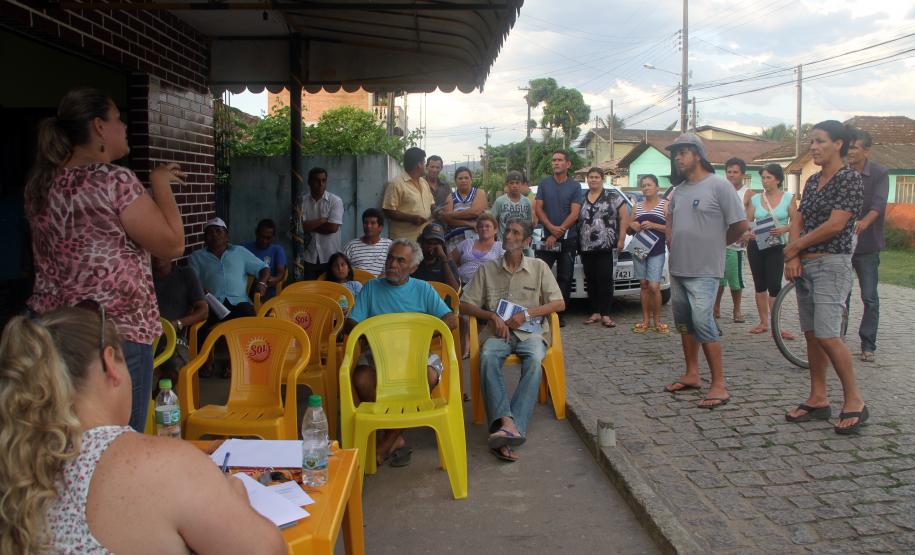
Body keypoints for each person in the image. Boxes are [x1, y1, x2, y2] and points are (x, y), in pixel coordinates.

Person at [0, 308, 286, 555]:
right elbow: (269, 550)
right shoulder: (161, 464)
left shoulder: (16, 466)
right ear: (110, 363)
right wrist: (235, 495)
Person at [25, 88, 185, 432]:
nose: (124, 126)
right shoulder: (114, 181)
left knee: (68, 440)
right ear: (99, 127)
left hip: (56, 333)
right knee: (118, 443)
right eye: (117, 118)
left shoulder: (40, 185)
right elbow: (172, 245)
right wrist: (160, 183)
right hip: (114, 336)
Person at [783, 120, 866, 434]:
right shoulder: (813, 180)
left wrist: (794, 248)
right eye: (812, 142)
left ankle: (855, 401)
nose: (814, 147)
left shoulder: (849, 180)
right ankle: (818, 398)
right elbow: (799, 217)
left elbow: (835, 225)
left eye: (820, 142)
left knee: (829, 335)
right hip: (807, 265)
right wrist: (794, 254)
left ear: (839, 144)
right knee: (812, 335)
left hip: (832, 264)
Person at [460, 219, 565, 462]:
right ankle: (508, 423)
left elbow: (559, 303)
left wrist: (527, 314)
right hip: (498, 334)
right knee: (486, 357)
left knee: (534, 360)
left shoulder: (539, 267)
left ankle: (508, 425)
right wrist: (491, 316)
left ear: (527, 241)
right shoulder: (488, 269)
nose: (508, 236)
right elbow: (464, 303)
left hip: (531, 334)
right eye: (507, 231)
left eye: (515, 233)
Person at [345, 240, 458, 466]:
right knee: (361, 379)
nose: (392, 264)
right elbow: (351, 323)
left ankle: (387, 443)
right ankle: (393, 435)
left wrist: (424, 334)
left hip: (415, 355)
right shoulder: (371, 288)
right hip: (379, 354)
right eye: (390, 258)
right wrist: (374, 335)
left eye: (400, 260)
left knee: (428, 376)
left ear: (413, 268)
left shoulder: (422, 289)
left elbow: (451, 319)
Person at [663, 134, 748, 409]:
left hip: (705, 269)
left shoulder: (720, 186)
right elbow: (671, 220)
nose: (677, 158)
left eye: (682, 152)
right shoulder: (680, 190)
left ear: (697, 154)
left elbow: (740, 225)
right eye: (675, 154)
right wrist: (672, 238)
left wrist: (717, 244)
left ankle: (719, 384)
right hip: (678, 267)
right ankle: (692, 373)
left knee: (703, 322)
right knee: (685, 323)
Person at [846, 129, 889, 363]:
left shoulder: (880, 173)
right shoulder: (843, 173)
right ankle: (836, 340)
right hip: (842, 244)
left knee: (869, 296)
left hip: (868, 244)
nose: (850, 152)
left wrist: (864, 222)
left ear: (866, 150)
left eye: (854, 147)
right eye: (848, 147)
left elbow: (879, 204)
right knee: (842, 294)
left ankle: (868, 343)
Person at [189, 217, 269, 341]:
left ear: (227, 236)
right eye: (209, 232)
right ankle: (204, 359)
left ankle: (249, 356)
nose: (214, 234)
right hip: (212, 304)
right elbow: (192, 282)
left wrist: (262, 283)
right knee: (197, 326)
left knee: (250, 318)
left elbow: (263, 268)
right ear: (205, 239)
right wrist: (200, 291)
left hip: (239, 303)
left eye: (218, 231)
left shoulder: (240, 252)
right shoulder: (196, 257)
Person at [746, 163, 798, 337]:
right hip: (757, 243)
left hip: (777, 245)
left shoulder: (788, 198)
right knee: (759, 284)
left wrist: (785, 229)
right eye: (763, 178)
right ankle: (763, 322)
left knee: (774, 285)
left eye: (768, 177)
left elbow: (796, 222)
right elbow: (747, 221)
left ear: (778, 179)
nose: (765, 181)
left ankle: (777, 325)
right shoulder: (755, 199)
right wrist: (750, 232)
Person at [534, 150, 582, 327]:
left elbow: (575, 213)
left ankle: (559, 314)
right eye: (553, 160)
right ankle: (540, 312)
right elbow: (539, 209)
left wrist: (557, 233)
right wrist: (551, 230)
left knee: (565, 276)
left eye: (560, 160)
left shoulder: (575, 186)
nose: (555, 163)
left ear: (568, 164)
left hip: (568, 239)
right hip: (546, 239)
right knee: (540, 275)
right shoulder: (544, 184)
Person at [578, 167, 628, 328]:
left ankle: (606, 314)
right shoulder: (581, 198)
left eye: (596, 177)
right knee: (591, 279)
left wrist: (621, 239)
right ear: (587, 179)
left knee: (605, 278)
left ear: (602, 179)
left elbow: (624, 216)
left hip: (606, 245)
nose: (593, 180)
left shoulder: (612, 197)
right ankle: (595, 312)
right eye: (590, 177)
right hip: (585, 246)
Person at [152, 256, 209, 395]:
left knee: (173, 367)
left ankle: (157, 401)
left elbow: (203, 310)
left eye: (162, 250)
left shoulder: (185, 274)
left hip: (174, 336)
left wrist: (177, 324)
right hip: (146, 335)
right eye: (152, 251)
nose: (157, 254)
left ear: (170, 252)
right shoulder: (141, 276)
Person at [713, 158, 754, 323]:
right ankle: (715, 307)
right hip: (718, 242)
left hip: (735, 244)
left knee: (735, 279)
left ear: (743, 174)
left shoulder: (748, 193)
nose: (731, 175)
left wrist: (746, 232)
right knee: (718, 278)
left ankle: (737, 310)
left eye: (735, 172)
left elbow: (749, 218)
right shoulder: (719, 190)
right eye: (729, 172)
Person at [629, 174, 669, 334]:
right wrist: (635, 226)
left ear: (657, 187)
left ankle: (657, 321)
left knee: (654, 285)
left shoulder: (665, 205)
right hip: (639, 248)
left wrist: (653, 225)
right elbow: (629, 225)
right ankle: (645, 321)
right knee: (644, 285)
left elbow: (671, 228)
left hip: (657, 249)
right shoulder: (637, 206)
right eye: (643, 185)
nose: (646, 188)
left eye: (649, 185)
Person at [297, 167, 343, 280]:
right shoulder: (301, 202)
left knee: (330, 291)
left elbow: (333, 228)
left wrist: (308, 226)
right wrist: (321, 221)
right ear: (309, 182)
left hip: (330, 255)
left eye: (323, 180)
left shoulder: (335, 201)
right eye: (317, 180)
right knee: (310, 292)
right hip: (309, 256)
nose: (320, 184)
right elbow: (298, 227)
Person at [383, 147, 434, 241]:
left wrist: (438, 211)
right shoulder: (396, 183)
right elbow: (388, 210)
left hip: (424, 236)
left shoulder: (424, 182)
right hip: (404, 239)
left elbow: (431, 203)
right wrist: (411, 218)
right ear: (418, 164)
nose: (425, 165)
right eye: (424, 162)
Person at [440, 166, 489, 251]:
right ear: (455, 181)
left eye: (466, 178)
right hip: (456, 237)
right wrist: (469, 224)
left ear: (471, 179)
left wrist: (452, 215)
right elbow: (448, 220)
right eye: (460, 178)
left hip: (477, 235)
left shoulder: (479, 193)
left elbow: (475, 212)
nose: (463, 180)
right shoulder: (450, 197)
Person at [451, 212, 504, 285]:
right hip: (462, 284)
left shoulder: (500, 247)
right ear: (477, 230)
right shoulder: (467, 243)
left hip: (488, 286)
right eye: (480, 226)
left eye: (487, 226)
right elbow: (449, 261)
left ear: (495, 230)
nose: (484, 228)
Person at [243, 218, 287, 299]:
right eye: (262, 237)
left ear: (273, 237)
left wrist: (273, 279)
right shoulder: (245, 248)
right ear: (256, 233)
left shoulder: (277, 250)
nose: (264, 241)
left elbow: (281, 274)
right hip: (246, 288)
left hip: (268, 290)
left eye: (268, 238)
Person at [411, 222, 461, 292]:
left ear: (442, 246)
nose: (431, 247)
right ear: (422, 242)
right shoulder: (413, 259)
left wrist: (444, 261)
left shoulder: (448, 262)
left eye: (436, 244)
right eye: (429, 243)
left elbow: (454, 291)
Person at [343, 208, 393, 276]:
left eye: (372, 223)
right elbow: (342, 269)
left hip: (381, 285)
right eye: (366, 223)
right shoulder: (351, 246)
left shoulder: (389, 245)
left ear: (380, 227)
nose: (368, 226)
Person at [491, 170, 535, 240]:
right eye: (512, 183)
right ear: (507, 184)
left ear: (521, 184)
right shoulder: (500, 201)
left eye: (517, 183)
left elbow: (528, 223)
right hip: (504, 244)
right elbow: (491, 220)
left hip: (521, 244)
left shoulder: (527, 202)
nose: (515, 186)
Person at [425, 155, 451, 224]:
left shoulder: (446, 186)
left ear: (441, 168)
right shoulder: (420, 184)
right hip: (425, 223)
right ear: (426, 167)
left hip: (444, 223)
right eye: (432, 167)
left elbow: (450, 204)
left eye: (437, 167)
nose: (434, 170)